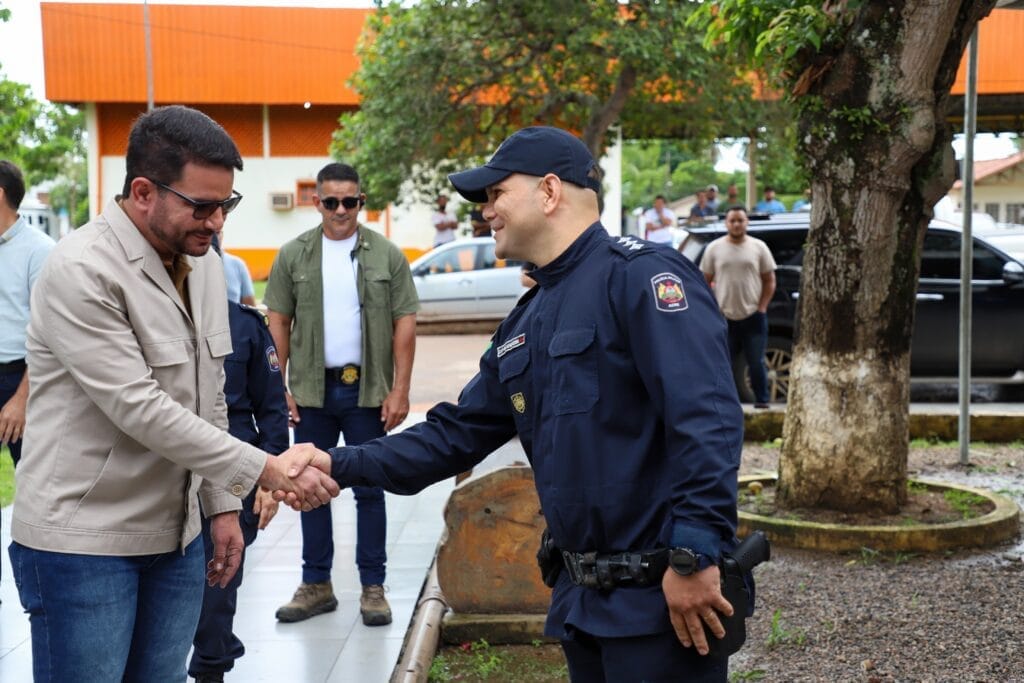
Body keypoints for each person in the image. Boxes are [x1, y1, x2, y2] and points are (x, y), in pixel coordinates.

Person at [298, 127, 746, 681]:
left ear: (550, 192)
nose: (486, 211)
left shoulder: (640, 278)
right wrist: (338, 463)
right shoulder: (527, 319)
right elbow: (454, 435)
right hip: (582, 606)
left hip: (660, 604)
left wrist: (696, 555)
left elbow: (707, 420)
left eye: (495, 194)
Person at [8, 105, 337, 682]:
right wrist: (268, 470)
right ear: (142, 191)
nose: (216, 223)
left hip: (180, 538)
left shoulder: (203, 262)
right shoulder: (80, 269)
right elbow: (141, 408)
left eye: (226, 205)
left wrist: (222, 507)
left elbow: (209, 397)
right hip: (85, 544)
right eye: (202, 206)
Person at [264, 162, 419, 626]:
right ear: (317, 202)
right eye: (330, 201)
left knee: (370, 487)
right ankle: (317, 585)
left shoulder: (387, 255)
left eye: (349, 201)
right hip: (313, 391)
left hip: (367, 392)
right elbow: (278, 324)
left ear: (360, 202)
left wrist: (400, 390)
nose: (340, 210)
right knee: (306, 488)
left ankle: (373, 586)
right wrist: (279, 388)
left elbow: (405, 323)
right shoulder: (294, 255)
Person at [188, 237, 289, 683]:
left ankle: (210, 667)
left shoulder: (245, 325)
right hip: (171, 477)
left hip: (234, 472)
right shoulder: (156, 321)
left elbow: (270, 409)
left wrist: (271, 483)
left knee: (218, 586)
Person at [0, 160, 55, 591]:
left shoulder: (40, 251)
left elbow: (48, 333)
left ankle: (39, 593)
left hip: (22, 379)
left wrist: (20, 399)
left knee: (36, 497)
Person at [700, 206, 777, 410]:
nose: (736, 224)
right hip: (724, 315)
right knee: (723, 363)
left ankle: (762, 401)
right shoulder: (714, 248)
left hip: (754, 314)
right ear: (726, 223)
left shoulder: (759, 247)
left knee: (756, 362)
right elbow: (704, 282)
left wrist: (762, 307)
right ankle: (724, 403)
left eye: (740, 220)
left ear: (746, 222)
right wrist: (712, 308)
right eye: (732, 220)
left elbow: (769, 280)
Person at [214, 225, 256, 305]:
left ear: (222, 235)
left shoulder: (237, 264)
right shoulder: (192, 265)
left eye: (217, 233)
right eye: (209, 233)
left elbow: (250, 306)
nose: (214, 238)